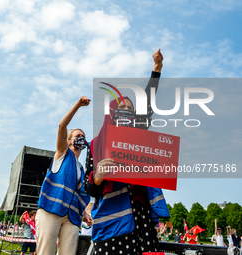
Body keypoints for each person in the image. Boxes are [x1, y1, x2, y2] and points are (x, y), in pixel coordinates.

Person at [85, 49, 169, 254]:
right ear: (112, 113)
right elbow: (91, 191)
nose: (128, 113)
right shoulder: (96, 145)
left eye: (131, 110)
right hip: (113, 217)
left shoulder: (139, 140)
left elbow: (148, 104)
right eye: (123, 108)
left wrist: (156, 69)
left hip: (142, 216)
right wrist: (97, 177)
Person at [36, 96, 93, 255]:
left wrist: (84, 213)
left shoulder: (81, 169)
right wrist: (78, 105)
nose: (81, 138)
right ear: (69, 141)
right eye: (77, 136)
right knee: (46, 252)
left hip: (72, 217)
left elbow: (75, 194)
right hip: (51, 211)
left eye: (83, 136)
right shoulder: (62, 154)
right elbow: (62, 126)